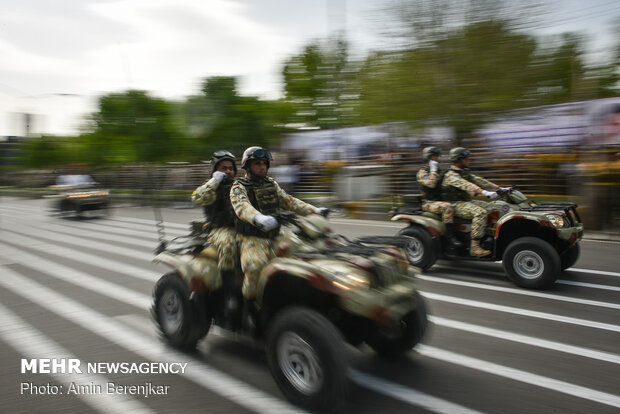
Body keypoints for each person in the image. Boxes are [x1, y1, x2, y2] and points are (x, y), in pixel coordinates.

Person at [230, 146, 327, 318]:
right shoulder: (238, 187)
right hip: (252, 238)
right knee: (254, 266)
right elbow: (242, 207)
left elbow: (289, 201)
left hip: (276, 235)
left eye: (264, 164)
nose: (261, 167)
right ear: (247, 166)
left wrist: (315, 211)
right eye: (257, 163)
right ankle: (248, 307)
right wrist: (259, 218)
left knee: (306, 252)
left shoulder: (271, 184)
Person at [441, 147, 505, 257]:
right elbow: (467, 185)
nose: (468, 160)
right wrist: (485, 193)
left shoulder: (464, 172)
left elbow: (480, 181)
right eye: (466, 158)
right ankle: (474, 247)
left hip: (466, 201)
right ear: (458, 159)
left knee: (493, 207)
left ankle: (490, 234)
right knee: (480, 212)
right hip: (455, 204)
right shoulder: (450, 175)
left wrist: (500, 188)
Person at [191, 150, 239, 296]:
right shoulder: (211, 188)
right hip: (219, 230)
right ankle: (228, 288)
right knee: (228, 244)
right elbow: (197, 198)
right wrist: (214, 181)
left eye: (231, 168)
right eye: (224, 168)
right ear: (215, 170)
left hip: (242, 228)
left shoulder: (239, 186)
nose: (228, 171)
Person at [416, 146, 462, 248]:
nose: (436, 158)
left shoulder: (439, 171)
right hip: (429, 203)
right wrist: (433, 170)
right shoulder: (422, 173)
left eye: (437, 156)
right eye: (434, 156)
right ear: (428, 157)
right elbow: (431, 184)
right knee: (448, 207)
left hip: (441, 200)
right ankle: (450, 237)